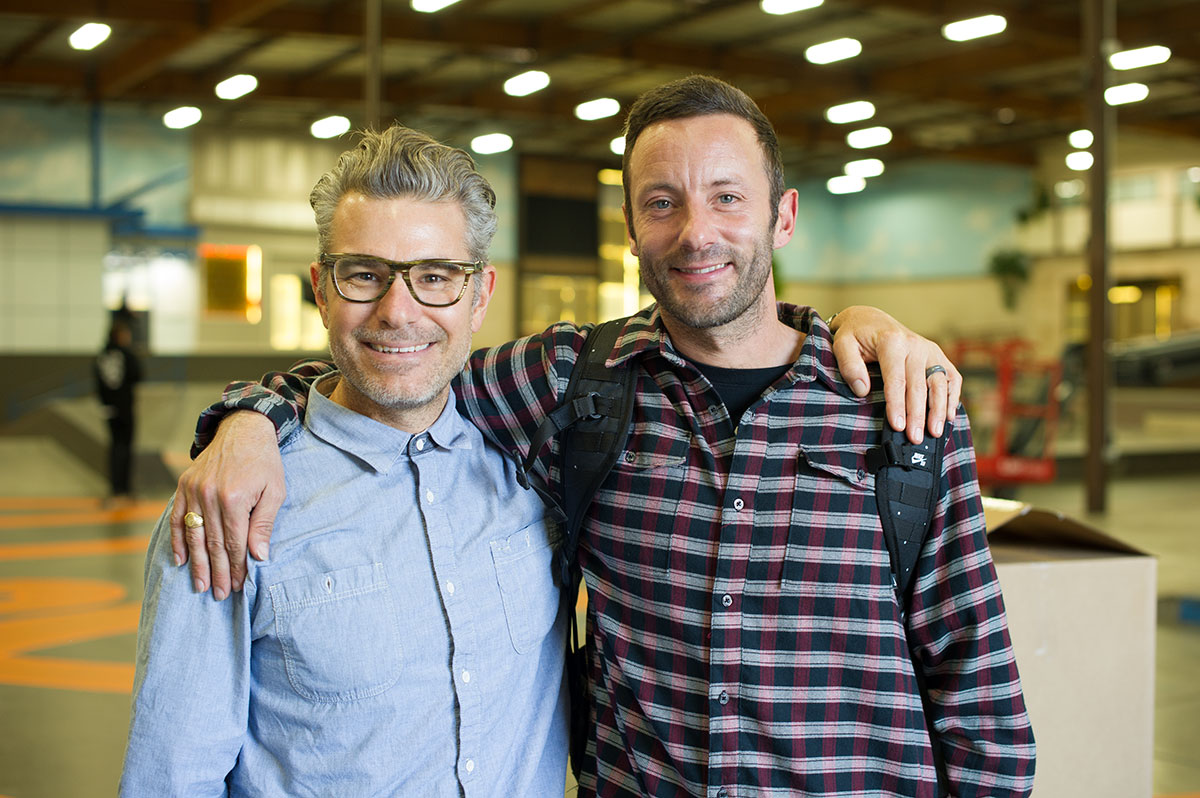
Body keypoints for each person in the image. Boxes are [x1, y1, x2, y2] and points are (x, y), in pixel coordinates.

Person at [176, 76, 1035, 796]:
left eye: (729, 197)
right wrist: (252, 417)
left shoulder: (899, 408)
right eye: (662, 203)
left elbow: (979, 693)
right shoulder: (569, 385)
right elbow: (400, 361)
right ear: (631, 228)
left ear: (783, 216)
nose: (696, 231)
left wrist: (869, 321)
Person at [120, 126, 568, 796]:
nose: (397, 312)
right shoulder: (232, 505)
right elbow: (171, 778)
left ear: (480, 295)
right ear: (321, 289)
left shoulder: (532, 468)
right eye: (364, 275)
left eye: (436, 278)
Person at [94, 315, 141, 503]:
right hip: (125, 408)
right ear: (120, 336)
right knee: (126, 448)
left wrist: (104, 403)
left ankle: (115, 489)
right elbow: (137, 374)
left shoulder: (102, 355)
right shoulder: (126, 355)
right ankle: (125, 490)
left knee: (114, 447)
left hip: (108, 409)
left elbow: (98, 381)